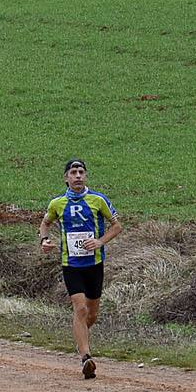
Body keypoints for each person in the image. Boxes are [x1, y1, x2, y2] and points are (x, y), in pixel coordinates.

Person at [39, 160, 121, 379]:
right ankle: (86, 357)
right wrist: (44, 241)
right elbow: (45, 224)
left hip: (94, 264)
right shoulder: (57, 203)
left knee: (92, 313)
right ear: (66, 178)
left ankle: (80, 337)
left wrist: (100, 242)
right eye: (73, 173)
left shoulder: (98, 199)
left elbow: (117, 226)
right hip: (71, 264)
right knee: (80, 309)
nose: (77, 176)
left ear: (86, 176)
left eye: (81, 172)